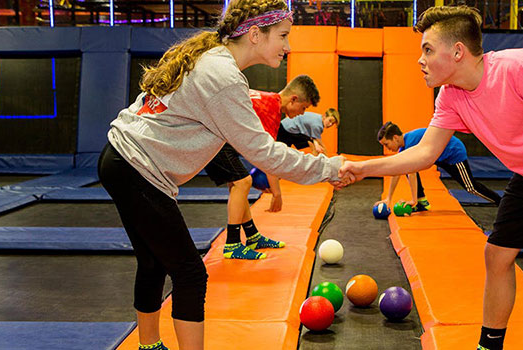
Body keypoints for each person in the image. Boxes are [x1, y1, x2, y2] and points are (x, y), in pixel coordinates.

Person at [339, 6, 523, 350]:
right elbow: (424, 154)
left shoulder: (518, 66)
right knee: (496, 255)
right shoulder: (451, 96)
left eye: (427, 49)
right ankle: (489, 345)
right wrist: (361, 167)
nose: (420, 60)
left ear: (457, 52)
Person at [97, 1, 344, 349]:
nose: (287, 47)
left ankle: (149, 345)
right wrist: (328, 168)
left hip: (120, 158)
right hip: (135, 166)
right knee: (191, 273)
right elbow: (264, 153)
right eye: (283, 36)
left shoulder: (212, 57)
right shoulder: (224, 76)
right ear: (256, 34)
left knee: (153, 262)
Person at [203, 75, 321, 260]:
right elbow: (267, 158)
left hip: (217, 136)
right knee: (243, 182)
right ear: (294, 99)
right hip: (211, 137)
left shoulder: (267, 99)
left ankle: (252, 236)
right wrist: (277, 193)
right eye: (303, 108)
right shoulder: (270, 109)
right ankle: (233, 244)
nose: (302, 113)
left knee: (238, 184)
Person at [374, 122, 500, 212]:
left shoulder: (411, 142)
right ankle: (422, 202)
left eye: (386, 143)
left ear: (395, 138)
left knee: (471, 187)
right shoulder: (404, 147)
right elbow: (397, 171)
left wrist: (412, 200)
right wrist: (388, 199)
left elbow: (411, 172)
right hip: (440, 156)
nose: (387, 148)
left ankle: (500, 202)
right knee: (404, 166)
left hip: (453, 153)